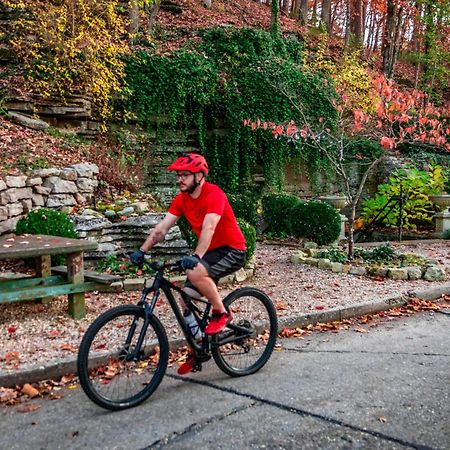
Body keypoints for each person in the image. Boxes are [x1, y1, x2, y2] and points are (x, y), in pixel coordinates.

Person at [129, 152, 246, 374]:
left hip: (232, 250)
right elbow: (162, 229)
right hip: (211, 252)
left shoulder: (214, 195)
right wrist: (141, 250)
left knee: (195, 273)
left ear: (200, 176)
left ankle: (221, 313)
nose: (180, 179)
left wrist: (197, 256)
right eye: (179, 175)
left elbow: (209, 227)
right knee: (185, 298)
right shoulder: (182, 199)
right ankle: (199, 347)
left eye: (185, 175)